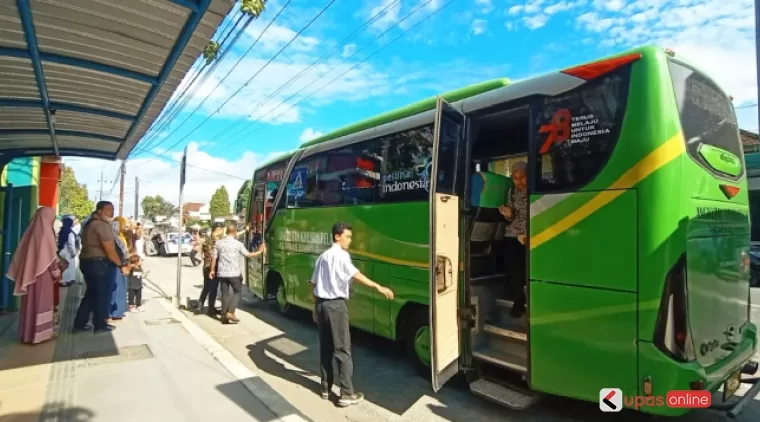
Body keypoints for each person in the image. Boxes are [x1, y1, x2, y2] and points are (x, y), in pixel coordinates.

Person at [310, 221, 394, 407]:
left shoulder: (322, 257)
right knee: (342, 350)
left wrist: (315, 307)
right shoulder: (342, 256)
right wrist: (378, 286)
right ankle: (347, 393)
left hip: (322, 305)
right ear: (337, 236)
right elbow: (356, 275)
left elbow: (313, 284)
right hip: (336, 307)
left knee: (326, 348)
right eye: (347, 237)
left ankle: (325, 388)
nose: (349, 241)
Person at [7, 207, 68, 344]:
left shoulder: (31, 232)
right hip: (43, 275)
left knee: (30, 305)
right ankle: (40, 335)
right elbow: (50, 258)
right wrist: (57, 273)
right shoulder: (46, 233)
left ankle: (27, 334)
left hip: (30, 275)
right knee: (42, 303)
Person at [73, 201, 129, 333]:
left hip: (87, 261)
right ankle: (100, 324)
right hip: (99, 264)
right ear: (99, 211)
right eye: (109, 210)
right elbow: (110, 250)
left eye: (113, 209)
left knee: (91, 295)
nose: (112, 213)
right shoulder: (101, 226)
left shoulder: (88, 224)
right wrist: (121, 265)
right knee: (102, 296)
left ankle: (80, 323)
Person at [209, 224, 265, 324]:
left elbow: (214, 257)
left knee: (225, 294)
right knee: (237, 291)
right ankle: (231, 312)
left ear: (227, 232)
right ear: (234, 232)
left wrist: (212, 270)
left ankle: (224, 316)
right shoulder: (238, 244)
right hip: (234, 273)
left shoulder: (218, 243)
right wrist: (260, 251)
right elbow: (248, 255)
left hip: (222, 273)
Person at [498, 161, 529, 319]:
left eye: (522, 177)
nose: (519, 182)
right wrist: (508, 213)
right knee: (513, 270)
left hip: (529, 236)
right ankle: (518, 300)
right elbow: (512, 218)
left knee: (524, 271)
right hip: (512, 235)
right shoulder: (511, 192)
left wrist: (525, 233)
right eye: (515, 178)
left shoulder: (535, 192)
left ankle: (520, 301)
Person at [197, 223, 223, 315]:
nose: (223, 231)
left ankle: (199, 306)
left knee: (206, 287)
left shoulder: (207, 240)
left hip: (206, 266)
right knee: (213, 289)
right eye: (222, 229)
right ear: (218, 230)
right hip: (212, 267)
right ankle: (210, 309)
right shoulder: (216, 242)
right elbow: (214, 256)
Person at [109, 216, 131, 321]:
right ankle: (116, 312)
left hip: (121, 264)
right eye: (124, 225)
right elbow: (118, 252)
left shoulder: (120, 236)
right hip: (118, 265)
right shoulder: (114, 237)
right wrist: (122, 265)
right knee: (118, 289)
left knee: (119, 288)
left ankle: (115, 311)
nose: (125, 227)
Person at [57, 215, 78, 287]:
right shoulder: (70, 232)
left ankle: (62, 280)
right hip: (68, 252)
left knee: (63, 266)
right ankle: (65, 281)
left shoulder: (62, 231)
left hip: (62, 251)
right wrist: (73, 252)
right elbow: (71, 244)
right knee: (68, 266)